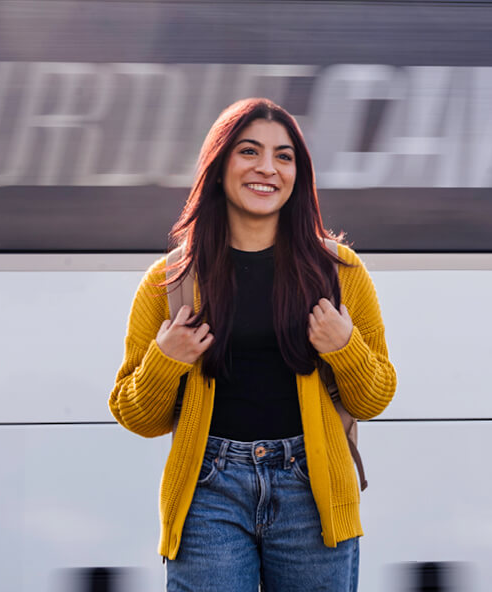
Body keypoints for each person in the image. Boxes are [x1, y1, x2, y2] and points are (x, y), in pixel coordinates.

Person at [109, 98, 397, 592]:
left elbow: (374, 398)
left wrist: (344, 347)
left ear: (298, 175)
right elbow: (138, 416)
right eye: (249, 151)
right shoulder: (170, 281)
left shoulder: (340, 272)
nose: (267, 167)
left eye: (284, 156)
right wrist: (165, 362)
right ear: (219, 166)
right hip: (208, 495)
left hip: (314, 491)